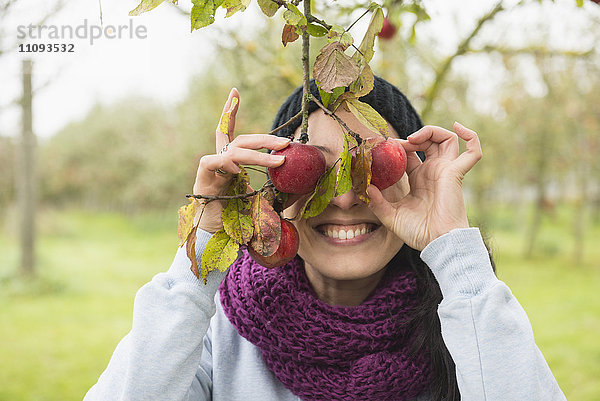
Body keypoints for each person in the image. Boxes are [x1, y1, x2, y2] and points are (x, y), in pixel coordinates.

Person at [84, 77, 566, 401]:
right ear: (275, 188)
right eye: (315, 167)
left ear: (416, 177)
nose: (343, 198)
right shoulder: (217, 336)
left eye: (371, 165)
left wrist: (456, 254)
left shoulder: (467, 323)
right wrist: (206, 252)